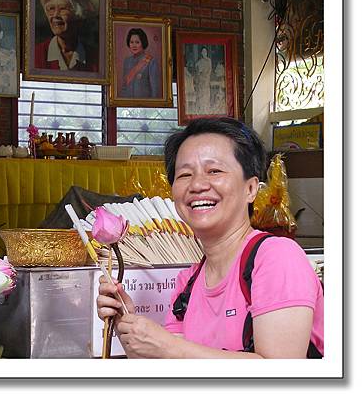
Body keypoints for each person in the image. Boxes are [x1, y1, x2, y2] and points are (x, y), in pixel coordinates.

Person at [96, 117, 324, 358]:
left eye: (214, 171)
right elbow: (172, 370)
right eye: (184, 175)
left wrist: (168, 346)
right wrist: (126, 325)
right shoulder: (188, 284)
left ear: (251, 188)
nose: (197, 185)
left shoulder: (276, 258)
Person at [34, 0, 98, 72]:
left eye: (63, 9)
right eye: (51, 9)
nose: (56, 15)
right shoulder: (36, 54)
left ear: (78, 15)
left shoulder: (95, 57)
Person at [119, 28, 160, 98]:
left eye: (137, 42)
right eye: (131, 42)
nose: (134, 45)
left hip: (146, 105)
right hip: (127, 104)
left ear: (143, 43)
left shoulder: (151, 61)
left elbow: (154, 89)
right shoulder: (127, 61)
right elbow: (125, 85)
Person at [193, 46, 212, 113]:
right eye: (203, 51)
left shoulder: (209, 61)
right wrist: (200, 76)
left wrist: (205, 77)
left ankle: (206, 110)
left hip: (206, 81)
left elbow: (209, 71)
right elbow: (197, 72)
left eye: (205, 51)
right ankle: (201, 110)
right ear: (201, 53)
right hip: (201, 81)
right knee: (201, 95)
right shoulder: (199, 62)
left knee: (206, 95)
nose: (204, 53)